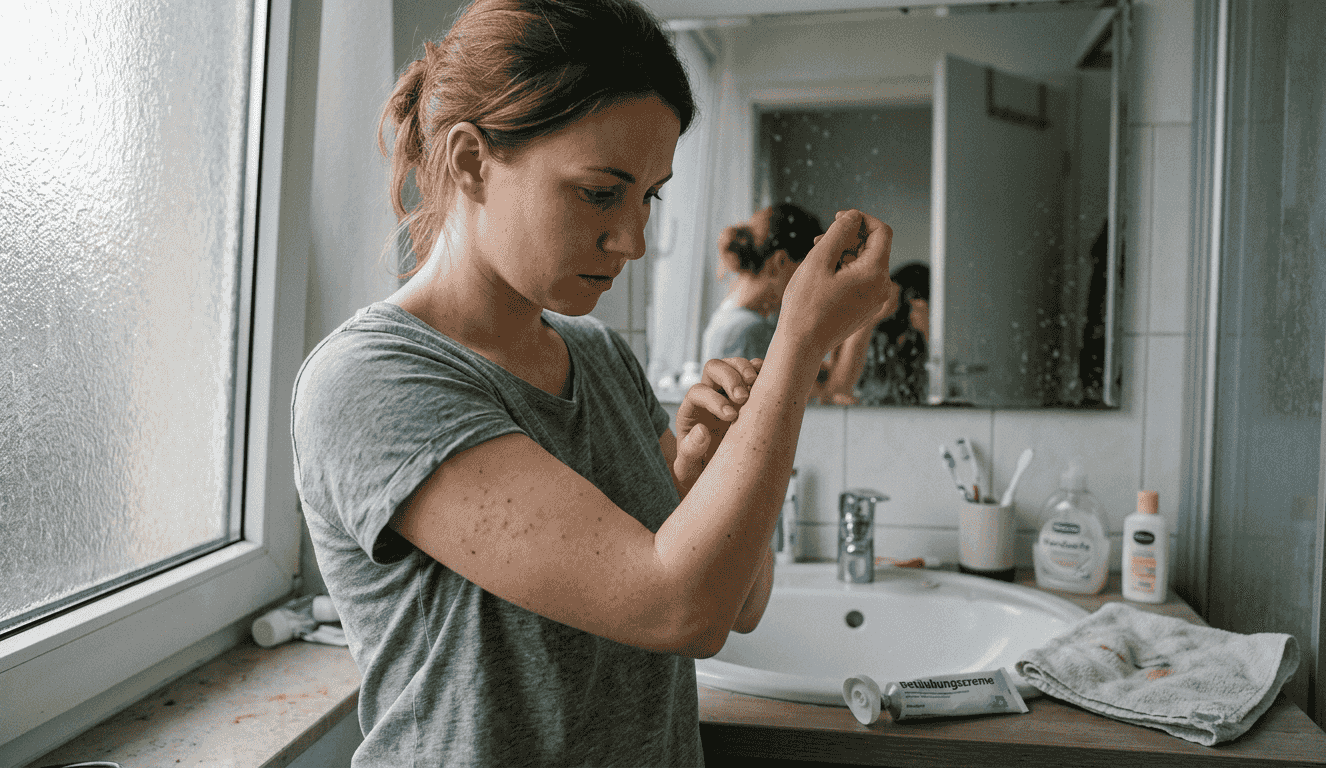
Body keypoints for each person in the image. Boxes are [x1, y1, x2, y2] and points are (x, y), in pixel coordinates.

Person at [289, 1, 894, 764]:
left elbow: (742, 602)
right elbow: (683, 610)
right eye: (600, 192)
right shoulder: (373, 382)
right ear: (473, 160)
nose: (633, 239)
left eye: (650, 195)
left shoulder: (602, 358)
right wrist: (797, 348)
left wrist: (707, 472)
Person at [700, 203, 823, 362]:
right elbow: (833, 387)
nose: (810, 287)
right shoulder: (752, 332)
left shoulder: (728, 317)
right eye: (808, 274)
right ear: (781, 262)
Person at [824, 262, 930, 405]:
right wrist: (870, 318)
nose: (908, 312)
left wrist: (930, 329)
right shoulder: (870, 336)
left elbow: (947, 388)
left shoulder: (923, 342)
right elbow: (835, 393)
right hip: (868, 421)